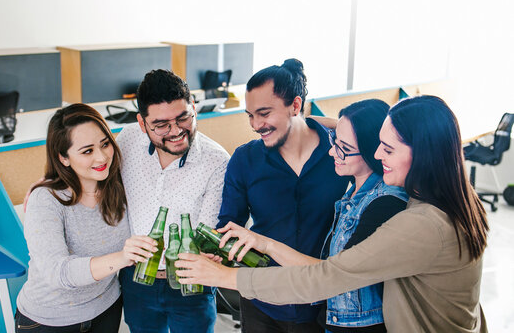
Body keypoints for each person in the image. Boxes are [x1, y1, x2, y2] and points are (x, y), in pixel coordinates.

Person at [177, 95, 489, 333]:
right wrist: (307, 121)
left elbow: (326, 277)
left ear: (424, 154)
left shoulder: (419, 224)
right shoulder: (458, 196)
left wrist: (226, 277)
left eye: (388, 149)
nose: (379, 155)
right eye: (378, 144)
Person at [216, 59, 349, 332]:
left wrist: (333, 125)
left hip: (323, 304)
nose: (255, 125)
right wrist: (219, 250)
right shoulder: (245, 159)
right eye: (250, 115)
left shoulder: (340, 153)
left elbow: (382, 135)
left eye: (264, 113)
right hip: (261, 302)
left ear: (295, 106)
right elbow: (229, 223)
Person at [15, 104, 157, 332]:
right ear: (63, 158)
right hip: (50, 320)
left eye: (105, 143)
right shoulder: (46, 200)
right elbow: (57, 272)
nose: (102, 157)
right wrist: (123, 257)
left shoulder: (119, 183)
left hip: (106, 309)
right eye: (87, 151)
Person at [116, 69, 230, 333]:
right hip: (136, 277)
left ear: (194, 108)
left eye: (183, 118)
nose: (176, 131)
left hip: (191, 282)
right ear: (142, 124)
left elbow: (206, 235)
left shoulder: (217, 161)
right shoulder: (128, 138)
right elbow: (92, 174)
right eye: (161, 125)